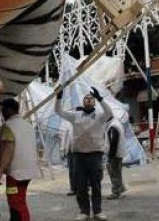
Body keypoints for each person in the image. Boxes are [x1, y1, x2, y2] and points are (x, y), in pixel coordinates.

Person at [56, 87, 113, 221]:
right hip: (78, 156)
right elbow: (58, 111)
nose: (88, 100)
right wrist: (58, 98)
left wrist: (101, 99)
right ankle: (84, 212)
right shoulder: (75, 115)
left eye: (91, 98)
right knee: (80, 186)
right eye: (86, 98)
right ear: (83, 102)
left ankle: (98, 211)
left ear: (94, 102)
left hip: (95, 155)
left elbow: (109, 112)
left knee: (96, 185)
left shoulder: (100, 115)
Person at [0, 98, 39, 221]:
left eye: (3, 110)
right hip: (28, 171)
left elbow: (7, 151)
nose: (2, 113)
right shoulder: (28, 125)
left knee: (16, 203)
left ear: (8, 110)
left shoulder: (8, 126)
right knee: (20, 200)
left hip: (16, 174)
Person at [105, 117, 127, 199]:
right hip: (119, 153)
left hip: (115, 154)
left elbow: (113, 142)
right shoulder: (117, 124)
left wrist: (111, 155)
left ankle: (116, 192)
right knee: (117, 172)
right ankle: (120, 188)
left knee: (114, 173)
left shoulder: (112, 127)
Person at [59, 118, 75, 196]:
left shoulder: (82, 124)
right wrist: (62, 150)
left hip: (81, 152)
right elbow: (64, 139)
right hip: (71, 152)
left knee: (81, 171)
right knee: (72, 171)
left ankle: (83, 188)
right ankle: (73, 188)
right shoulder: (67, 126)